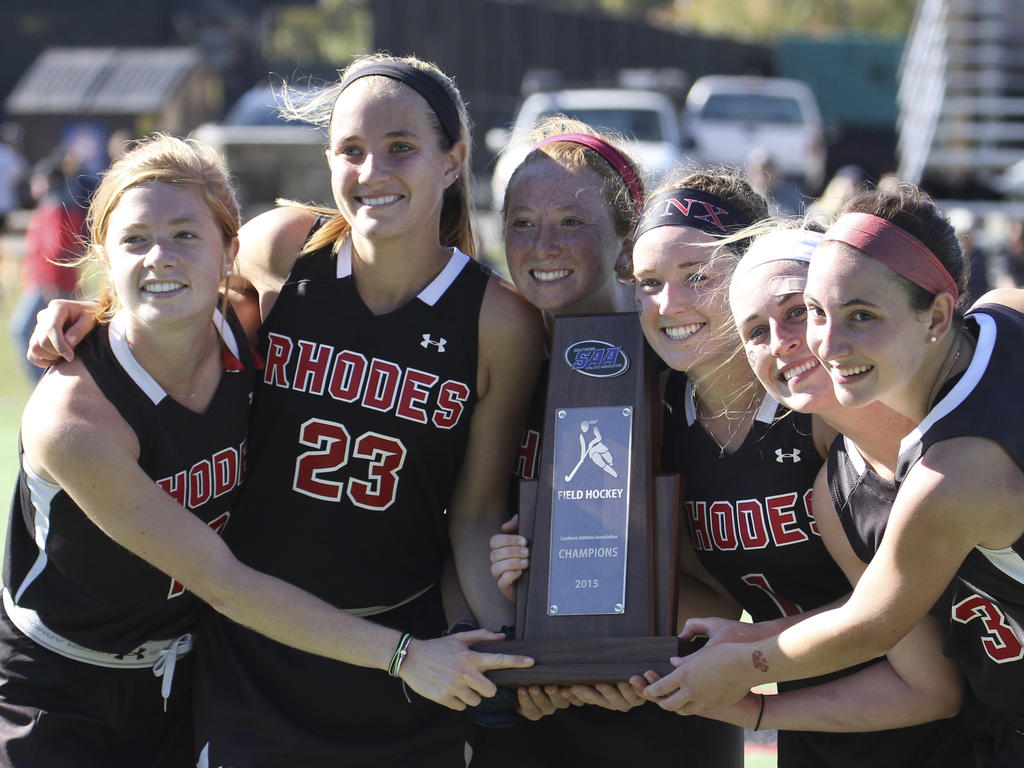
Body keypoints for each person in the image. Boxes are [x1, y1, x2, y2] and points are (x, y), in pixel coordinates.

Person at [22, 54, 544, 768]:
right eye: (351, 151)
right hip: (250, 647)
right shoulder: (283, 247)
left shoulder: (499, 320)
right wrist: (100, 316)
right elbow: (174, 285)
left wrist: (515, 646)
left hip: (405, 642)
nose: (372, 172)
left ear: (453, 161)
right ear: (327, 159)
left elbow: (476, 514)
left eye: (401, 149)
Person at [641, 183, 1024, 766]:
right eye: (757, 331)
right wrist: (750, 657)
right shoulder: (839, 489)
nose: (819, 340)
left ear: (938, 315)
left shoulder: (953, 463)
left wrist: (747, 668)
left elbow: (872, 623)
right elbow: (899, 647)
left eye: (806, 312)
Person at [471, 120, 744, 767]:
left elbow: (730, 590)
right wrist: (521, 640)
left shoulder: (680, 363)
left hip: (665, 703)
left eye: (572, 222)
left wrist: (615, 627)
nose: (543, 244)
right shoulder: (501, 350)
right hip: (532, 711)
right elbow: (472, 518)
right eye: (521, 222)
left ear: (627, 245)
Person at [8, 161, 83, 382]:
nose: (34, 184)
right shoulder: (62, 206)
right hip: (54, 282)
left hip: (50, 284)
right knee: (60, 339)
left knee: (23, 331)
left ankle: (44, 386)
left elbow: (57, 250)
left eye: (37, 180)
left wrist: (52, 285)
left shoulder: (55, 208)